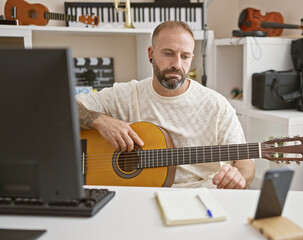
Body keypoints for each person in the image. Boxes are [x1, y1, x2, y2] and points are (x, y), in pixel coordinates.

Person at [76, 21, 255, 189]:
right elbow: (62, 105)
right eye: (168, 54)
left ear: (191, 58)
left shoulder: (216, 105)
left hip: (199, 197)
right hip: (135, 195)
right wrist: (99, 120)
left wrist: (240, 178)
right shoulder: (125, 94)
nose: (177, 64)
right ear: (151, 54)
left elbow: (245, 161)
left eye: (184, 56)